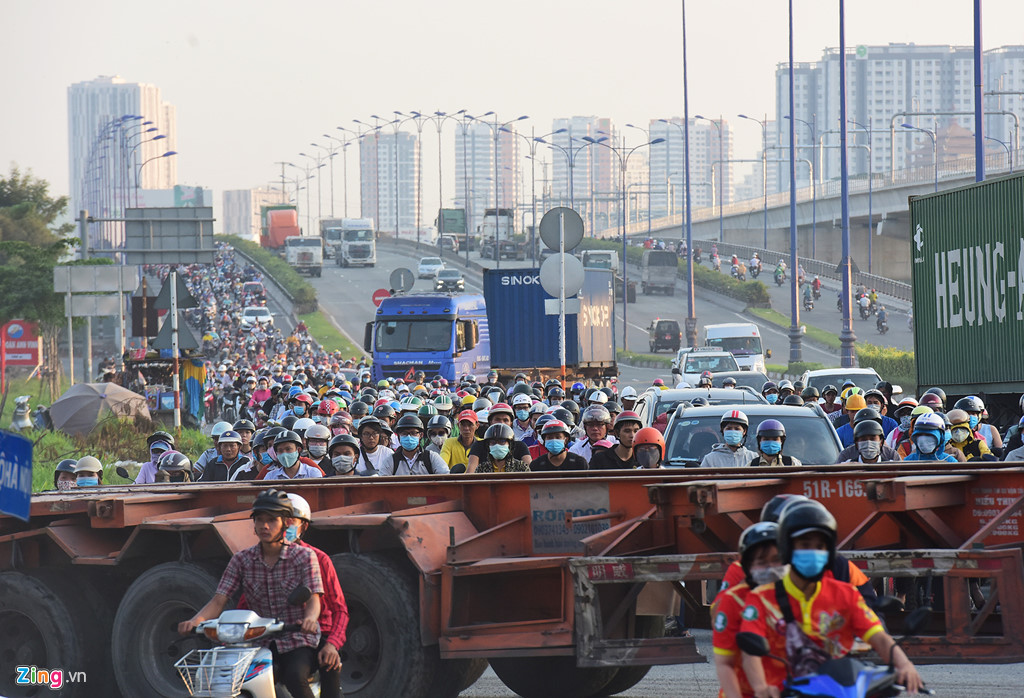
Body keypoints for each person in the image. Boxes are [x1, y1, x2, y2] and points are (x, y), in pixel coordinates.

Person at [739, 500, 923, 697]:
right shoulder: (761, 598)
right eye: (804, 545)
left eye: (820, 546)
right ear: (786, 548)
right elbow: (751, 653)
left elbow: (878, 637)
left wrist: (904, 664)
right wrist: (761, 688)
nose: (813, 552)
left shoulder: (846, 594)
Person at [178, 489, 324, 698]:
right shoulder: (241, 559)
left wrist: (310, 619)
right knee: (229, 680)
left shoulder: (304, 556)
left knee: (294, 676)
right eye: (259, 520)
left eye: (272, 520)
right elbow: (219, 600)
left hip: (296, 639)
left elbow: (313, 599)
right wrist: (195, 621)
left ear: (285, 523)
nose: (265, 526)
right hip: (257, 642)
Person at [712, 521, 783, 698]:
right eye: (761, 562)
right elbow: (724, 663)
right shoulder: (734, 600)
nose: (770, 568)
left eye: (776, 560)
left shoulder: (800, 594)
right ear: (747, 566)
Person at [467, 404, 532, 472]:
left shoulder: (520, 446)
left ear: (511, 423)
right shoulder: (479, 446)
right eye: (497, 419)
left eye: (505, 420)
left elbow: (529, 474)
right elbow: (471, 473)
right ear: (490, 422)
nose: (501, 423)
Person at [380, 414, 450, 475]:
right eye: (404, 433)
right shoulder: (391, 460)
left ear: (421, 435)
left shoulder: (431, 458)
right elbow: (381, 484)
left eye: (413, 433)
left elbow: (445, 478)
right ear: (398, 436)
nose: (409, 437)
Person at [837, 419, 901, 463]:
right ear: (856, 443)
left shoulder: (892, 462)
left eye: (872, 439)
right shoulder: (846, 463)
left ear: (881, 442)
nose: (868, 443)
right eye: (863, 439)